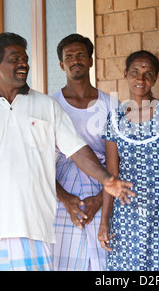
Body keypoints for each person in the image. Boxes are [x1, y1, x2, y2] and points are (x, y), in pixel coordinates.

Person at [0, 32, 135, 271]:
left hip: (38, 228)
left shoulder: (47, 106)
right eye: (15, 58)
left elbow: (77, 150)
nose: (23, 64)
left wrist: (106, 180)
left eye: (25, 59)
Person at [97, 50, 159, 271]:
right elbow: (111, 173)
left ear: (155, 78)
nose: (141, 79)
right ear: (126, 74)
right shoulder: (115, 118)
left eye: (148, 74)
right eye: (135, 72)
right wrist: (105, 221)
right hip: (128, 213)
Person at [51, 34, 118, 271]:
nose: (75, 60)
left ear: (90, 61)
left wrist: (102, 197)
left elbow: (119, 158)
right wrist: (66, 200)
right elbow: (41, 163)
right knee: (64, 260)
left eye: (81, 55)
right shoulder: (51, 105)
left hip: (105, 188)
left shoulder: (111, 105)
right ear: (61, 64)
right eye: (69, 57)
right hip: (61, 190)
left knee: (103, 258)